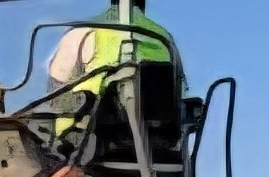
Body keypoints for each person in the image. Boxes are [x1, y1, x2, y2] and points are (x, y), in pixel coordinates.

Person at [47, 2, 184, 139]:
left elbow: (57, 79)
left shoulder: (84, 31)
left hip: (89, 134)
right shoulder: (164, 37)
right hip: (158, 136)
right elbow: (178, 88)